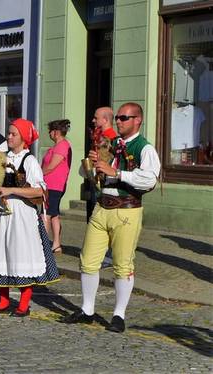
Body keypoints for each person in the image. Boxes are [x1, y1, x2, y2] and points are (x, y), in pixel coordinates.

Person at [62, 102, 160, 333]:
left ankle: (119, 315)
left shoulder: (144, 148)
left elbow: (150, 180)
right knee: (88, 260)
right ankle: (87, 309)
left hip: (127, 209)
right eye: (117, 117)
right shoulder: (111, 143)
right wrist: (91, 163)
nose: (119, 121)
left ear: (138, 120)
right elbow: (84, 174)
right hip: (101, 206)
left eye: (124, 118)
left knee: (123, 265)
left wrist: (116, 172)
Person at [0, 119, 60, 317]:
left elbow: (40, 191)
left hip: (22, 215)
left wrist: (11, 189)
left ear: (24, 138)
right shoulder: (1, 158)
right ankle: (3, 300)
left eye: (13, 134)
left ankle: (24, 303)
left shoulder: (29, 161)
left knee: (21, 254)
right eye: (9, 133)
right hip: (2, 213)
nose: (9, 136)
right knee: (1, 253)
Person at [42, 119, 72, 253]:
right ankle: (56, 244)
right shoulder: (56, 146)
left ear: (56, 132)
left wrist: (36, 175)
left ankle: (42, 244)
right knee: (54, 214)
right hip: (51, 184)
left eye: (50, 131)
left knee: (46, 214)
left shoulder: (62, 146)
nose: (49, 134)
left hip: (54, 185)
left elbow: (51, 166)